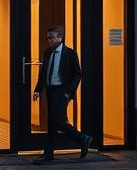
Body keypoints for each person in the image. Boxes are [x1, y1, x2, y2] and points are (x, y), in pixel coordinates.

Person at [32, 25, 92, 162]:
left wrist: (68, 92)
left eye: (52, 38)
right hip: (50, 90)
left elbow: (78, 74)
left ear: (60, 37)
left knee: (56, 120)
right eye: (48, 38)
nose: (49, 41)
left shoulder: (70, 53)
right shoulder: (47, 52)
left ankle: (82, 138)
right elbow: (43, 73)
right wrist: (37, 89)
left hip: (62, 91)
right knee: (52, 122)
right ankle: (49, 153)